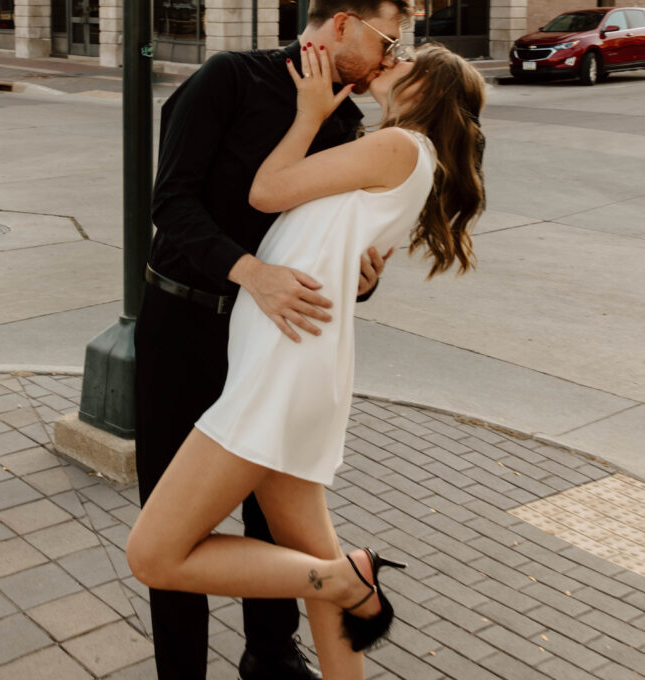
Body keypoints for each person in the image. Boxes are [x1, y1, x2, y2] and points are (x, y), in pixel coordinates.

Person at [128, 41, 486, 680]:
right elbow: (327, 244)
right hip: (289, 363)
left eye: (405, 57)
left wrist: (308, 114)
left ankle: (348, 582)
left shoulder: (399, 147)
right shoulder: (402, 156)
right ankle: (342, 584)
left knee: (153, 555)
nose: (390, 59)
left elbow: (265, 191)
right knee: (311, 553)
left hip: (279, 373)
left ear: (428, 89)